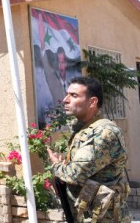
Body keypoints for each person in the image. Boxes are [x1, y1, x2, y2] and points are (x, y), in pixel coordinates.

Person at [48, 77, 130, 222]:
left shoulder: (104, 132)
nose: (66, 100)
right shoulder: (84, 130)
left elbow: (74, 174)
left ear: (92, 102)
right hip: (87, 215)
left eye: (74, 95)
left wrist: (56, 165)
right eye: (67, 94)